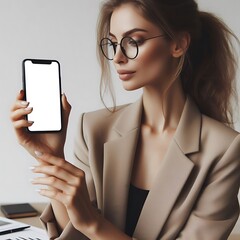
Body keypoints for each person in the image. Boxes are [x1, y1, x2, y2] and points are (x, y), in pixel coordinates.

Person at [10, 0, 240, 239]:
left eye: (133, 41)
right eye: (112, 43)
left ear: (178, 44)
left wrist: (92, 222)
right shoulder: (94, 129)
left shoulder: (223, 149)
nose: (118, 57)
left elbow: (87, 226)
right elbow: (74, 234)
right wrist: (51, 156)